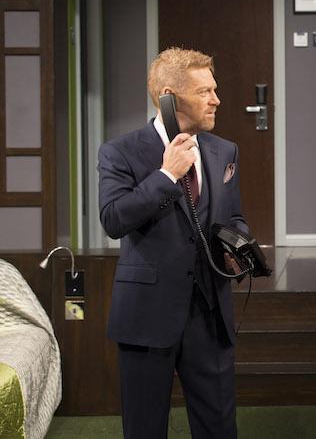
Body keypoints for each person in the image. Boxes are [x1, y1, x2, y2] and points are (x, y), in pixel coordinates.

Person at [98, 47, 247, 438]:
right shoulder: (119, 152)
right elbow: (113, 219)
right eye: (204, 92)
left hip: (210, 314)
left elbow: (233, 216)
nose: (216, 99)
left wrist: (239, 246)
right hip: (147, 316)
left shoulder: (224, 150)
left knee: (219, 428)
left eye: (214, 89)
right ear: (169, 97)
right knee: (145, 429)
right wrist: (166, 176)